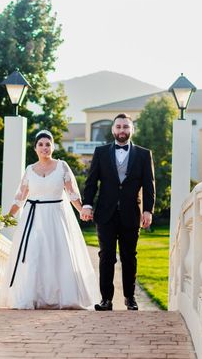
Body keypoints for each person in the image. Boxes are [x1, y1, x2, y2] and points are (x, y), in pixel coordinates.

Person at [0, 130, 100, 309]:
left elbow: (72, 194)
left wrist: (82, 210)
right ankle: (31, 297)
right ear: (35, 148)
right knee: (34, 255)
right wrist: (7, 217)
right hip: (33, 217)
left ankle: (62, 297)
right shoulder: (29, 169)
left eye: (48, 144)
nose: (44, 148)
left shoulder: (62, 166)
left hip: (56, 217)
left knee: (58, 254)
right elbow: (20, 198)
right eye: (41, 145)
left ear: (52, 147)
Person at [81, 113, 155, 311]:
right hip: (106, 213)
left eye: (126, 127)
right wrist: (87, 204)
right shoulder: (101, 152)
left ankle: (130, 298)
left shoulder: (143, 154)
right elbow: (91, 182)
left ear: (132, 130)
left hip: (132, 213)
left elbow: (149, 185)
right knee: (106, 256)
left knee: (129, 256)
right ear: (113, 130)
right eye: (119, 127)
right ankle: (106, 299)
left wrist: (148, 210)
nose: (122, 130)